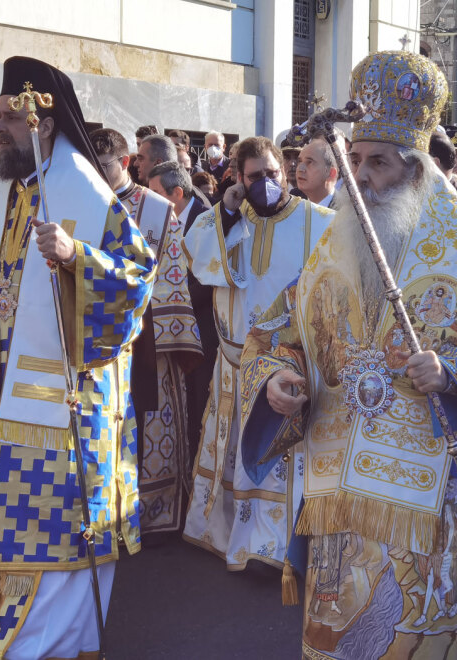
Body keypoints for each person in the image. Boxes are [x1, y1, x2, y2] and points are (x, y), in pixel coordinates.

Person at [239, 50, 457, 658]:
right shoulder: (334, 248)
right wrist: (278, 378)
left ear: (416, 170)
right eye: (355, 160)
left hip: (430, 499)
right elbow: (275, 336)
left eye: (377, 163)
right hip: (338, 495)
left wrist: (454, 372)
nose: (361, 177)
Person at [0, 56, 156, 659]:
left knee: (55, 533)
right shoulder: (9, 190)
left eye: (9, 118)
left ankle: (37, 645)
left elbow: (137, 279)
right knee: (20, 532)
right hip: (8, 400)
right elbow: (3, 280)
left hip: (66, 409)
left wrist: (76, 255)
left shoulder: (83, 189)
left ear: (45, 124)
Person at [182, 135, 335, 572]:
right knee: (235, 453)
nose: (265, 182)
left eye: (272, 173)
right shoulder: (228, 220)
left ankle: (275, 548)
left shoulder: (321, 222)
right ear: (238, 179)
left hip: (288, 365)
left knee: (281, 456)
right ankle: (228, 533)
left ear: (284, 172)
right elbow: (197, 257)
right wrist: (227, 211)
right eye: (254, 177)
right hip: (233, 363)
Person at [92, 127, 202, 535]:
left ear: (124, 163)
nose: (95, 174)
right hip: (92, 340)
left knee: (150, 424)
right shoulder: (82, 201)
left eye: (103, 166)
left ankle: (150, 514)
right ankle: (100, 515)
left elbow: (174, 276)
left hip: (146, 341)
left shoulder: (155, 209)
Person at [146, 160, 217, 467]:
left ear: (176, 193)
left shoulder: (207, 221)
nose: (149, 199)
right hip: (168, 331)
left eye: (155, 193)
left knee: (198, 405)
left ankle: (195, 469)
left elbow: (209, 279)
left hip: (201, 332)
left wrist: (169, 300)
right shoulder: (156, 219)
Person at [295, 137, 338, 206]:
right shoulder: (296, 207)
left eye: (309, 162)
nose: (300, 169)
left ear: (331, 173)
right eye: (299, 161)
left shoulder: (347, 210)